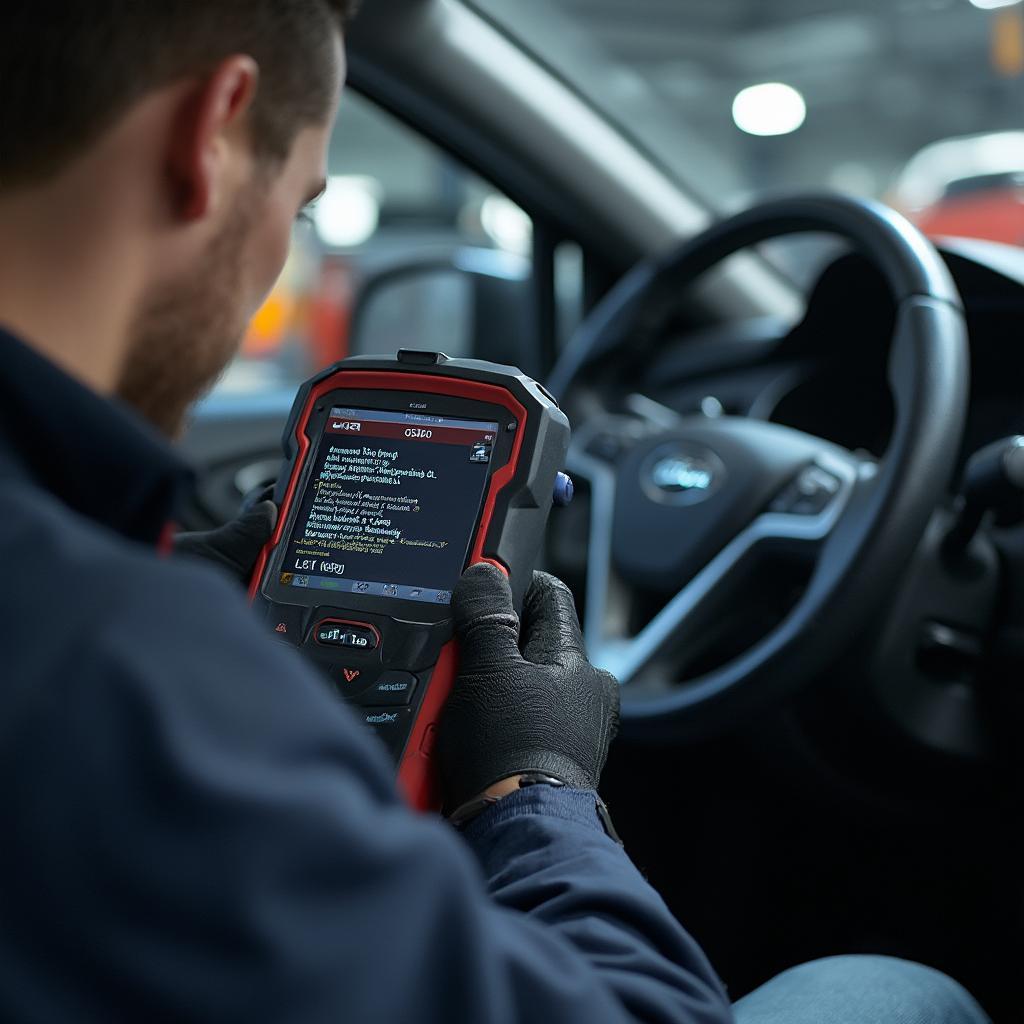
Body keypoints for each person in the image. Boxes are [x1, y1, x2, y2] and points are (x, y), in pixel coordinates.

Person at [0, 3, 991, 1022]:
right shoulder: (112, 680)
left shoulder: (88, 611)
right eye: (300, 210)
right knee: (900, 990)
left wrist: (147, 582)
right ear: (212, 132)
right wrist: (535, 790)